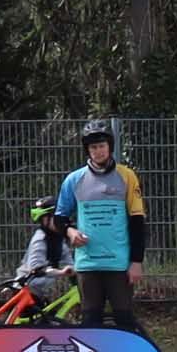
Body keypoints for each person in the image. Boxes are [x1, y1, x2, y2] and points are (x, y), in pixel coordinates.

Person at [52, 119, 148, 334]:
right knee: (90, 321)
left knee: (124, 320)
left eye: (102, 146)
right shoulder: (74, 180)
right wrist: (70, 231)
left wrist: (136, 261)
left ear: (110, 147)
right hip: (88, 264)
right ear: (87, 150)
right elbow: (59, 217)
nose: (98, 151)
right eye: (93, 147)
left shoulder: (127, 176)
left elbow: (137, 220)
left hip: (119, 263)